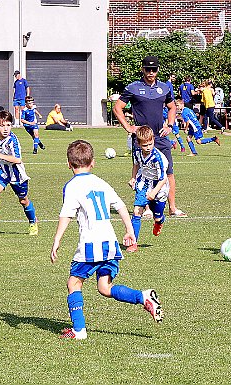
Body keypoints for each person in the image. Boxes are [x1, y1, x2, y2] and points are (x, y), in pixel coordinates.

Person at [50, 139, 163, 339]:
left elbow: (66, 214)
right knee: (104, 287)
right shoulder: (101, 183)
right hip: (110, 244)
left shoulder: (72, 186)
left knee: (74, 283)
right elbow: (120, 206)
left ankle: (79, 330)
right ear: (93, 162)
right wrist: (130, 232)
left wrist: (57, 239)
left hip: (90, 245)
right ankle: (143, 296)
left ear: (69, 164)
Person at [113, 55, 187, 218]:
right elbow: (117, 108)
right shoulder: (132, 88)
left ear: (157, 70)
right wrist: (128, 127)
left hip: (160, 137)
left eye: (154, 69)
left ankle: (172, 208)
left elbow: (172, 107)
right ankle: (145, 208)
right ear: (143, 69)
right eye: (148, 69)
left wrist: (169, 124)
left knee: (168, 172)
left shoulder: (164, 88)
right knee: (142, 173)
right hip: (142, 139)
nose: (151, 72)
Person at [0, 109, 38, 236]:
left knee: (23, 200)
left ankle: (33, 221)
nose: (6, 128)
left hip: (17, 174)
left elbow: (17, 159)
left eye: (8, 125)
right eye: (2, 125)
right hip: (3, 171)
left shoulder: (13, 141)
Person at [126, 126, 169, 253]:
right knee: (136, 211)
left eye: (150, 144)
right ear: (139, 144)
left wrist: (154, 192)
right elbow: (136, 164)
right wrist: (133, 178)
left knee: (157, 216)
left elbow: (163, 179)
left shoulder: (158, 158)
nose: (148, 147)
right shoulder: (137, 152)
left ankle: (159, 221)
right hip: (143, 183)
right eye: (145, 145)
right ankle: (133, 243)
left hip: (159, 187)